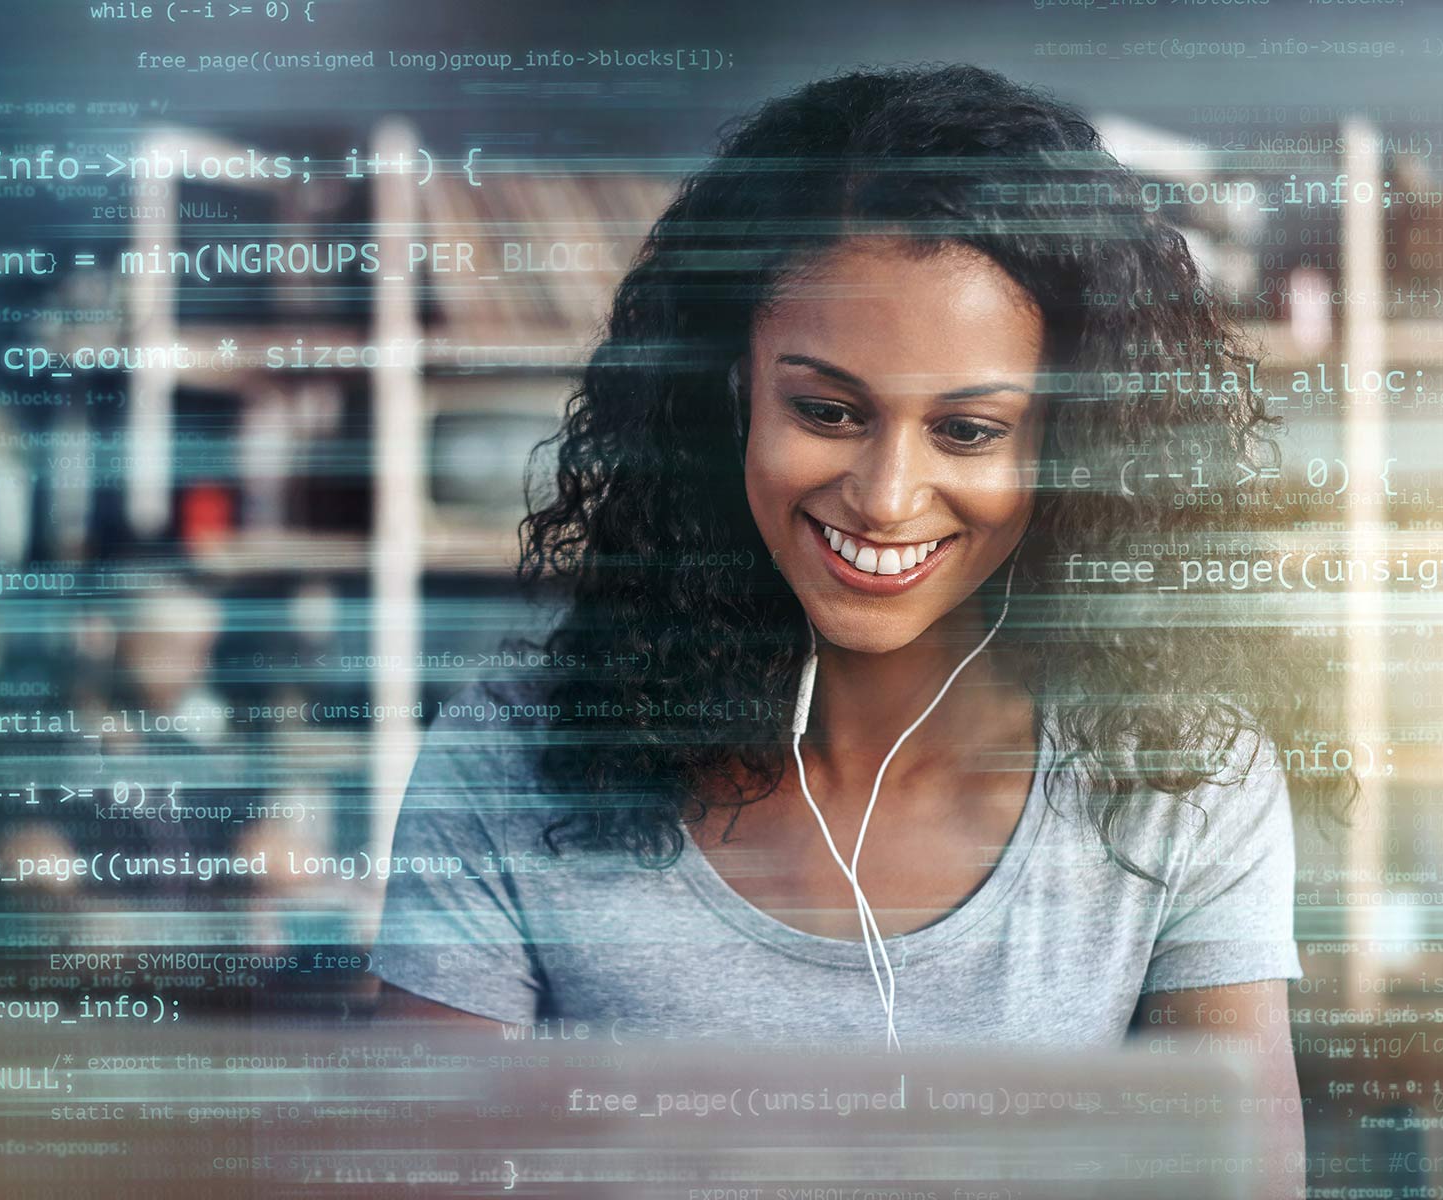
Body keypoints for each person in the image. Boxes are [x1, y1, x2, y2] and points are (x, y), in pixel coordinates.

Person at [370, 62, 1350, 1193]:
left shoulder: (1179, 777)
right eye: (826, 412)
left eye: (970, 431)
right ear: (729, 390)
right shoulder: (510, 764)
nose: (885, 497)